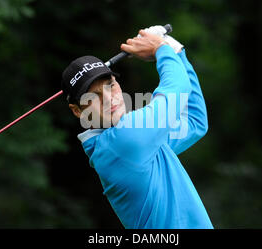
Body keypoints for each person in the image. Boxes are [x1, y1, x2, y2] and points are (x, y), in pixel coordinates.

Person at [60, 25, 213, 229]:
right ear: (77, 110)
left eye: (110, 85)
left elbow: (194, 121)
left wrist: (176, 51)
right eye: (93, 96)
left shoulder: (140, 140)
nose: (108, 99)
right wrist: (161, 48)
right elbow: (178, 90)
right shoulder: (124, 141)